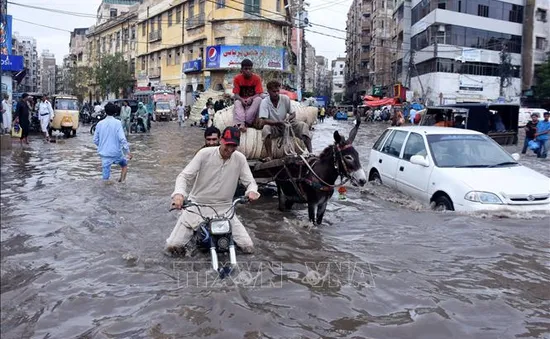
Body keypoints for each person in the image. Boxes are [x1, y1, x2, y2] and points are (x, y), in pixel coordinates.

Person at [166, 126, 261, 255]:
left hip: (225, 210)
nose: (230, 149)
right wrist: (179, 195)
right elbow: (184, 176)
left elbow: (250, 182)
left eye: (234, 146)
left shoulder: (240, 159)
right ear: (221, 141)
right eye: (227, 145)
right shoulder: (204, 154)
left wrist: (252, 191)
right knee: (172, 247)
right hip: (197, 208)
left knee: (248, 247)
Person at [259, 80, 312, 160]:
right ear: (268, 91)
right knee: (266, 129)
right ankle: (269, 155)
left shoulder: (285, 99)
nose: (276, 93)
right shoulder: (265, 102)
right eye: (274, 91)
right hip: (274, 126)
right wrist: (278, 123)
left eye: (277, 91)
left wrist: (288, 119)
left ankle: (310, 152)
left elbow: (293, 114)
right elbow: (264, 120)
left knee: (303, 126)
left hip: (287, 124)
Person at [93, 103, 133, 182]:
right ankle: (121, 183)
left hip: (105, 155)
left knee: (105, 178)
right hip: (116, 153)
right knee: (124, 165)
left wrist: (102, 146)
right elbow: (122, 139)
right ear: (115, 112)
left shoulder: (99, 124)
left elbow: (95, 140)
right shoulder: (117, 123)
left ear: (105, 111)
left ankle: (106, 191)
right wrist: (128, 152)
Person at [233, 59, 264, 132]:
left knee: (259, 99)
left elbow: (259, 93)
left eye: (250, 69)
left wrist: (251, 98)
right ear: (242, 69)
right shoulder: (237, 78)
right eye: (246, 69)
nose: (248, 71)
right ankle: (241, 123)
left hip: (252, 102)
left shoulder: (257, 78)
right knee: (237, 102)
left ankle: (246, 122)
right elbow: (236, 95)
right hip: (242, 101)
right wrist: (242, 100)